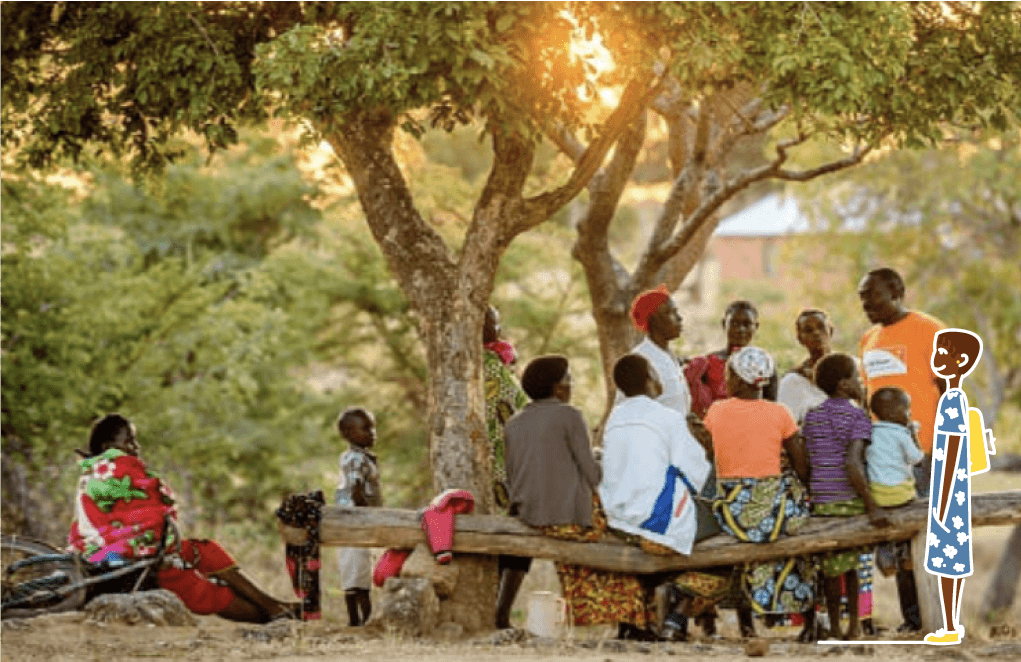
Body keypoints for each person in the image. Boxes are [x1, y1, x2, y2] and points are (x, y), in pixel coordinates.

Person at [68, 414, 296, 623]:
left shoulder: (98, 472)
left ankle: (272, 606)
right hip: (114, 554)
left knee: (206, 550)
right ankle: (273, 613)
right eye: (129, 441)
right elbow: (151, 504)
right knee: (194, 586)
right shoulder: (111, 470)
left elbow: (137, 512)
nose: (135, 448)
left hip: (127, 545)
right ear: (108, 447)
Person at [504, 355, 652, 639]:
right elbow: (593, 475)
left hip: (528, 516)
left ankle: (620, 620)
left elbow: (518, 474)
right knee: (626, 534)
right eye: (569, 379)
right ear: (557, 387)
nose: (571, 386)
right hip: (569, 519)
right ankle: (632, 622)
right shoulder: (570, 415)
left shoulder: (514, 422)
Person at [601, 354, 719, 641]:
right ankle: (677, 616)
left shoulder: (614, 418)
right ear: (648, 379)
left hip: (617, 522)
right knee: (726, 535)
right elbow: (699, 474)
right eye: (655, 371)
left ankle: (646, 614)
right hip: (653, 523)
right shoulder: (667, 418)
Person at [703, 347, 815, 638]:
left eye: (728, 374)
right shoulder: (780, 413)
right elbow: (801, 465)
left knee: (742, 558)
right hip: (773, 511)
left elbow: (711, 451)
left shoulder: (716, 411)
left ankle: (746, 625)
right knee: (796, 542)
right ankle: (809, 619)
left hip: (735, 512)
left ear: (739, 381)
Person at [858, 267, 946, 632]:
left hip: (923, 452)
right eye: (862, 299)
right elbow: (867, 397)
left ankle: (939, 620)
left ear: (897, 291)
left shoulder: (931, 330)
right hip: (884, 461)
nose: (866, 304)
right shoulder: (868, 340)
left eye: (872, 296)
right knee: (898, 542)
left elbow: (949, 388)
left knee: (929, 539)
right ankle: (913, 620)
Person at [777, 309, 876, 635]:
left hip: (824, 486)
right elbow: (789, 434)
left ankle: (853, 620)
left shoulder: (851, 369)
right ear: (799, 338)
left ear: (832, 329)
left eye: (821, 327)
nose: (816, 334)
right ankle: (826, 623)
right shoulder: (793, 381)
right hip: (831, 485)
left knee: (834, 562)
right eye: (807, 330)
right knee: (829, 560)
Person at [802, 353, 891, 640]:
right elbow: (853, 464)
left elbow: (807, 460)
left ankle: (835, 626)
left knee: (830, 568)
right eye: (855, 376)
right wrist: (872, 505)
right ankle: (853, 626)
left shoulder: (812, 416)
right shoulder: (856, 416)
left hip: (822, 501)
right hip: (848, 501)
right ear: (843, 384)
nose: (859, 380)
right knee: (852, 567)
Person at [923, 329, 987, 645]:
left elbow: (950, 452)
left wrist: (943, 501)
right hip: (954, 491)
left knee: (949, 561)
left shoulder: (951, 401)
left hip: (950, 493)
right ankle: (951, 624)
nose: (935, 360)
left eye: (941, 354)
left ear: (960, 361)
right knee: (952, 561)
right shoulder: (952, 397)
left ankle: (950, 626)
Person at [482, 305, 531, 629]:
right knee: (516, 539)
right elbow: (521, 411)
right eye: (492, 325)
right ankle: (499, 615)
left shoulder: (488, 363)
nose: (497, 331)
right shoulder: (494, 369)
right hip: (503, 468)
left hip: (489, 468)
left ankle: (494, 612)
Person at [685, 300, 777, 419]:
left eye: (747, 324)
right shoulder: (706, 364)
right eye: (734, 323)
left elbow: (771, 407)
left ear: (756, 327)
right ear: (724, 324)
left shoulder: (765, 365)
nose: (740, 329)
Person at [334, 407, 381, 627]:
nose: (372, 433)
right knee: (359, 572)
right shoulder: (357, 458)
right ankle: (364, 621)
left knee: (352, 571)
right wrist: (365, 513)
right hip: (356, 519)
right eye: (366, 429)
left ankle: (355, 620)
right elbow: (356, 488)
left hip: (348, 518)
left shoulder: (353, 456)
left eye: (373, 427)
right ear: (349, 433)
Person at [867, 387, 925, 508]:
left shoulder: (870, 431)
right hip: (900, 494)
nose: (910, 413)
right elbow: (918, 461)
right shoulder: (901, 434)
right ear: (891, 413)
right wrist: (913, 434)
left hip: (877, 494)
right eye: (907, 409)